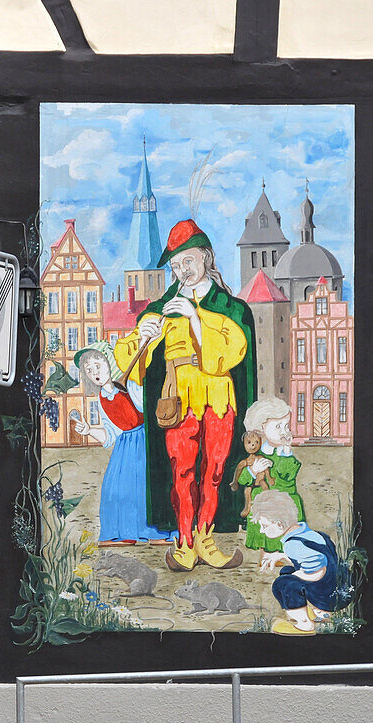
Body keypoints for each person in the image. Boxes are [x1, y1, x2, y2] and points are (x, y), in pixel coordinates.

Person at [114, 219, 257, 572]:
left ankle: (206, 537)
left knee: (215, 471)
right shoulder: (164, 304)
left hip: (219, 398)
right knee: (182, 471)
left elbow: (232, 351)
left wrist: (194, 318)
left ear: (206, 257)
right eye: (176, 266)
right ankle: (184, 541)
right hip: (178, 398)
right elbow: (133, 359)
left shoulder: (230, 306)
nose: (182, 271)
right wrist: (143, 333)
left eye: (187, 262)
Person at [72, 342, 175, 545]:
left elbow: (149, 407)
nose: (95, 372)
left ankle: (157, 533)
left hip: (144, 442)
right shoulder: (102, 398)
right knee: (115, 489)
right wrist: (89, 430)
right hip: (124, 447)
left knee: (145, 488)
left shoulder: (131, 387)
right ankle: (121, 533)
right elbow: (110, 434)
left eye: (97, 365)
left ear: (109, 362)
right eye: (89, 370)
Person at [249, 489, 353, 636]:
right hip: (339, 588)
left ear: (279, 524)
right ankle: (321, 614)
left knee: (283, 583)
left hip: (329, 598)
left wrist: (296, 576)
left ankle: (305, 624)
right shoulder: (310, 534)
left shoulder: (292, 545)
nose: (261, 530)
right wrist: (280, 556)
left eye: (264, 526)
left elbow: (318, 572)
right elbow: (316, 558)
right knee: (287, 571)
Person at [237, 397, 306, 569]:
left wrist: (287, 450)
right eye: (278, 426)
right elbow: (243, 480)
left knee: (288, 522)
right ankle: (267, 554)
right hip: (265, 501)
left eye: (286, 426)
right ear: (261, 428)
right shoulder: (256, 454)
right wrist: (253, 471)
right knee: (265, 520)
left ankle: (287, 553)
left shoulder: (283, 452)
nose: (284, 431)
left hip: (286, 499)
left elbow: (289, 474)